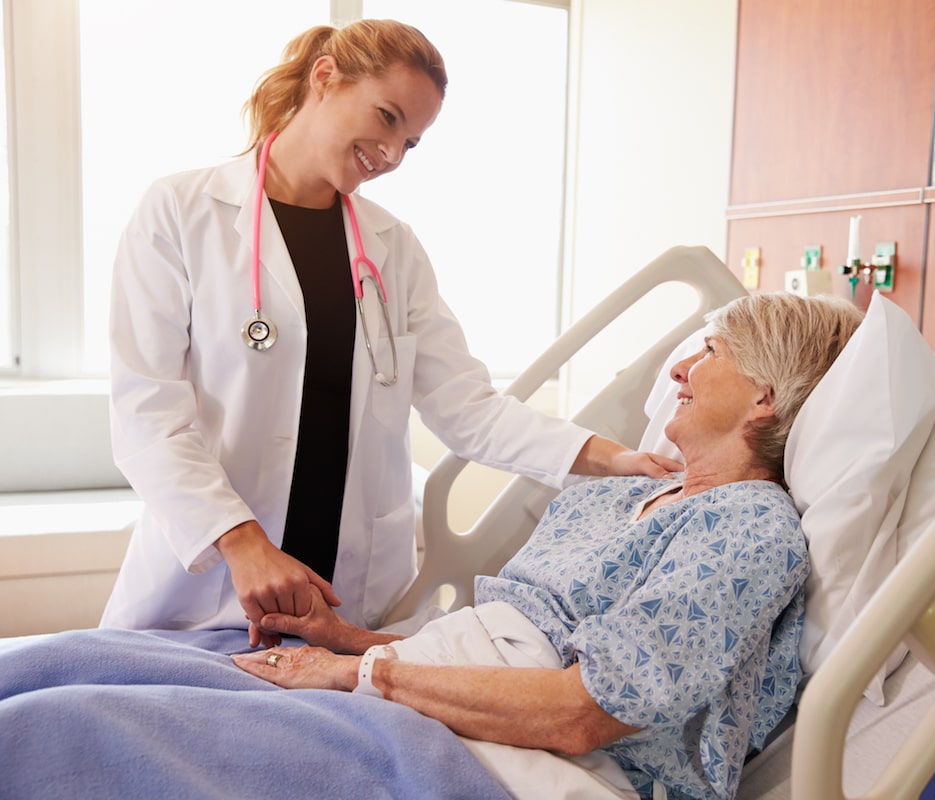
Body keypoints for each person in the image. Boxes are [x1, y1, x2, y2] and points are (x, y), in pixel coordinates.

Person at [0, 292, 862, 800]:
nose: (678, 369)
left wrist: (366, 673)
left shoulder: (746, 529)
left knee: (61, 731)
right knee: (65, 661)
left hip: (510, 764)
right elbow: (503, 642)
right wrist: (350, 642)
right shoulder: (622, 496)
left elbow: (580, 711)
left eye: (706, 353)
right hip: (428, 688)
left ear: (764, 396)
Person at [100, 19, 680, 647]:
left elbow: (469, 409)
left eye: (412, 142)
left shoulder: (391, 249)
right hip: (209, 595)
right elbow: (148, 416)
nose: (393, 154)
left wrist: (614, 458)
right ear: (325, 78)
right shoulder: (181, 212)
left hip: (347, 608)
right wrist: (243, 544)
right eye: (387, 118)